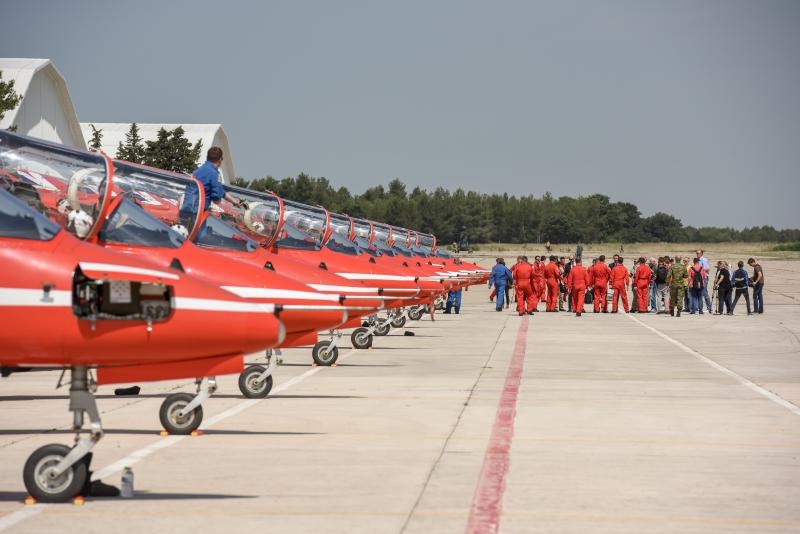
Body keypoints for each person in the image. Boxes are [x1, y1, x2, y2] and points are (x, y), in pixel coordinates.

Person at [193, 147, 243, 212]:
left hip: (187, 208)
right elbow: (216, 200)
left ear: (207, 157)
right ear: (220, 159)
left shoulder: (197, 171)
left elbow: (221, 192)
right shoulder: (215, 174)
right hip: (199, 212)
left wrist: (234, 201)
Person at [696, 249, 713, 314]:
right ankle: (701, 307)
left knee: (704, 292)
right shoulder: (698, 260)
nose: (697, 254)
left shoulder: (704, 260)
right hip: (699, 278)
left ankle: (709, 308)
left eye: (698, 253)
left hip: (704, 278)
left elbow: (707, 269)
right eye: (696, 253)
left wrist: (699, 270)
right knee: (701, 292)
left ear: (701, 254)